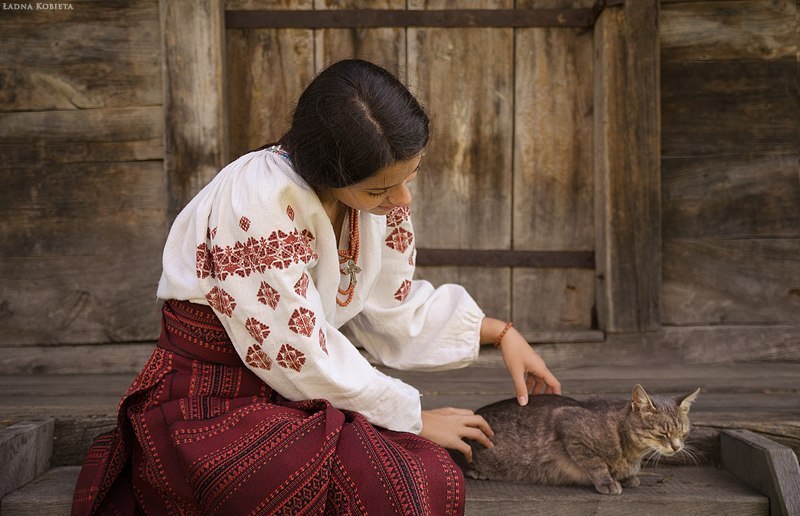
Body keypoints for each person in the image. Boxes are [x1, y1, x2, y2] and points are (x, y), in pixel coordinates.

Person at [72, 59, 561, 515]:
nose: (401, 200)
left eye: (411, 177)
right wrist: (414, 417)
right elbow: (299, 350)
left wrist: (500, 333)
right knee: (411, 481)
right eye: (380, 190)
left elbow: (386, 305)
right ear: (326, 174)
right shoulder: (256, 200)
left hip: (302, 394)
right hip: (212, 402)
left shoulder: (372, 204)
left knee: (427, 472)